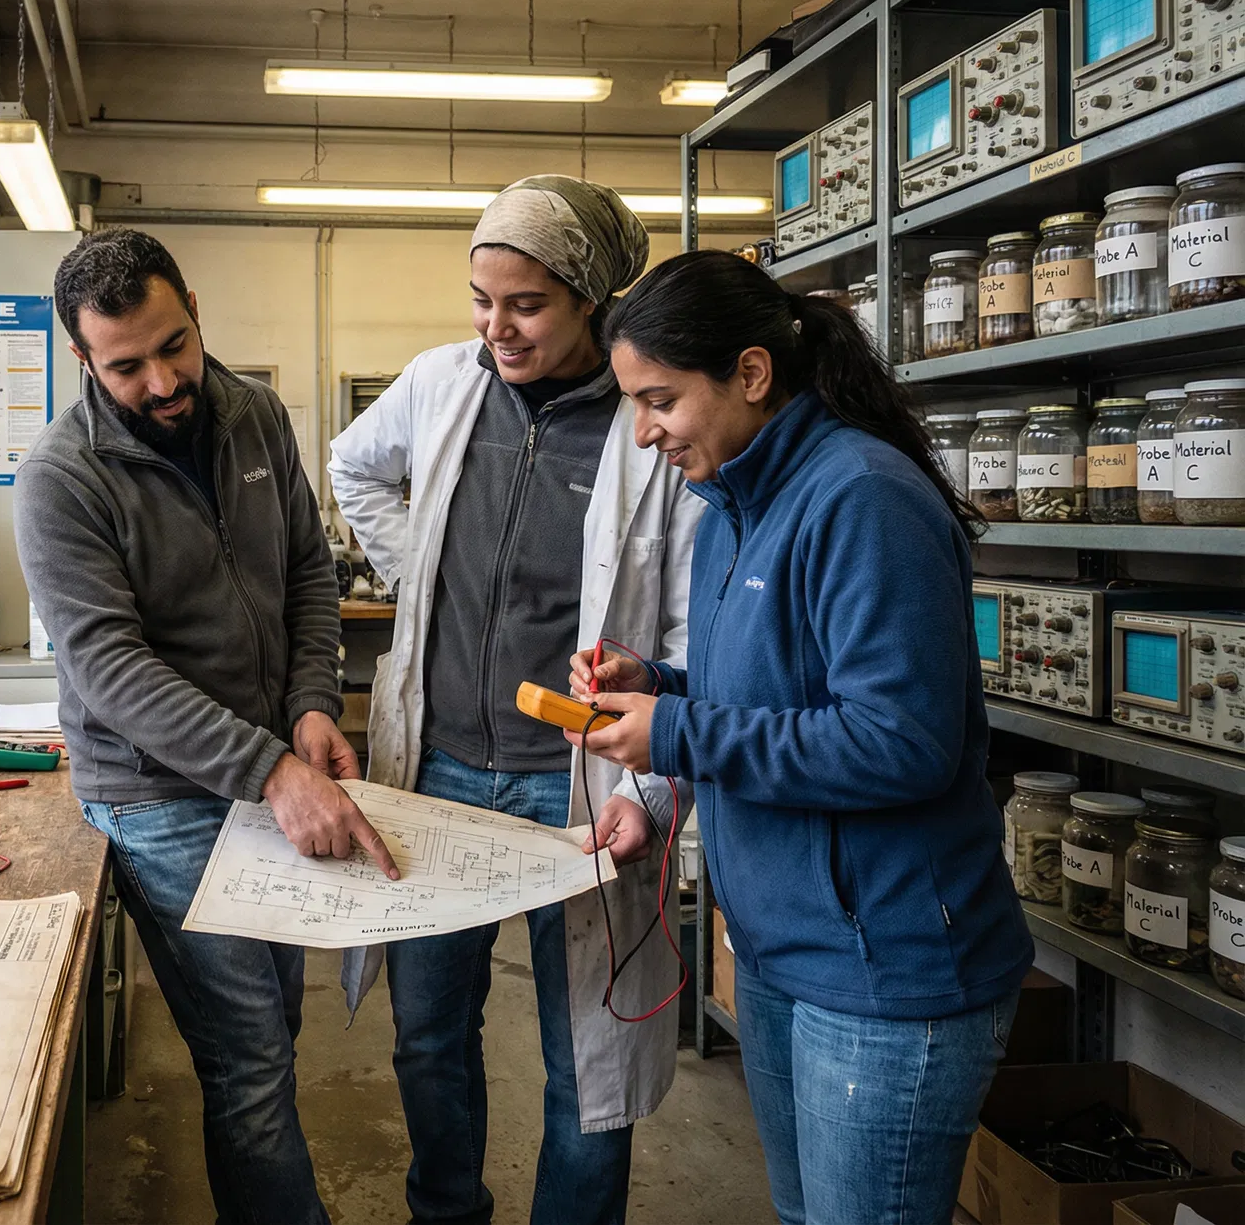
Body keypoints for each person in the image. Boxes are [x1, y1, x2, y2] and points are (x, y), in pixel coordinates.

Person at [566, 250, 1034, 1225]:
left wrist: (681, 731)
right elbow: (777, 692)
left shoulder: (863, 499)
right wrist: (659, 686)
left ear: (749, 373)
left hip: (884, 974)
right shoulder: (733, 504)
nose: (644, 433)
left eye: (661, 400)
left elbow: (902, 743)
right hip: (784, 952)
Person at [328, 176, 702, 1225]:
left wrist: (658, 785)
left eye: (526, 305)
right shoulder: (442, 383)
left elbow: (681, 636)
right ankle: (447, 1209)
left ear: (591, 302)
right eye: (482, 301)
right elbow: (354, 466)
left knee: (586, 1055)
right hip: (442, 763)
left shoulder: (648, 426)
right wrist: (421, 574)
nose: (496, 327)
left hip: (576, 786)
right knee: (427, 1033)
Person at [15, 229, 394, 1225]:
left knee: (276, 1028)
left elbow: (307, 570)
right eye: (127, 365)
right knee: (251, 1057)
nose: (163, 380)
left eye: (172, 344)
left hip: (269, 768)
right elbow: (107, 669)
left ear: (192, 303)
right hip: (160, 798)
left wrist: (313, 704)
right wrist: (273, 770)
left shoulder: (256, 416)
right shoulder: (62, 477)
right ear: (83, 359)